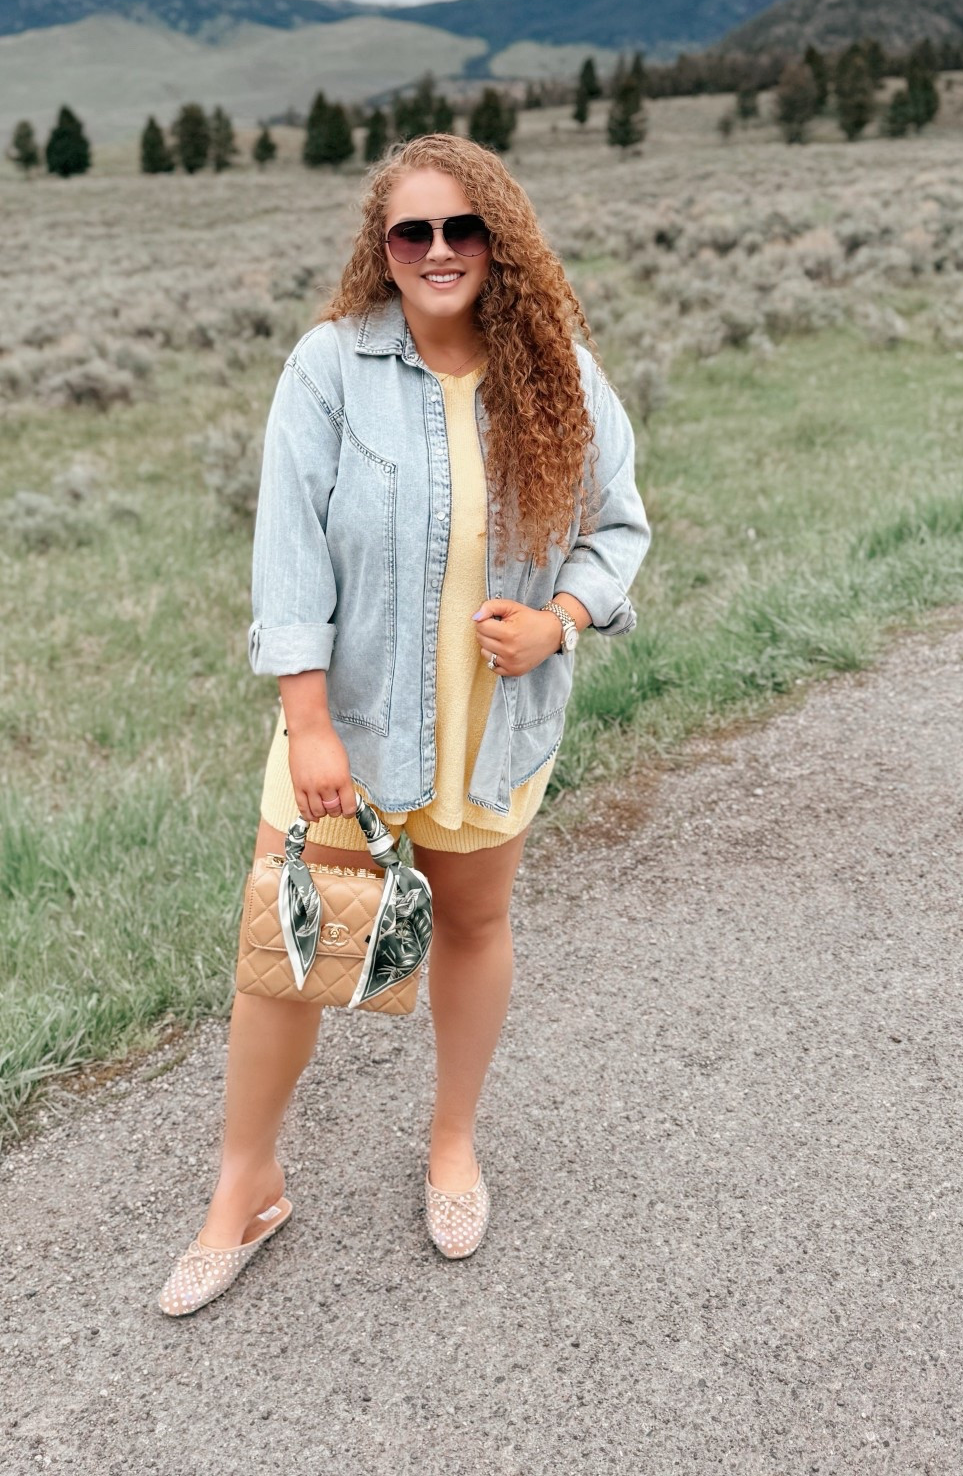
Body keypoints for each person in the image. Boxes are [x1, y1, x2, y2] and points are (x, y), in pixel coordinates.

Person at [160, 130, 651, 1316]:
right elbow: (288, 566)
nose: (439, 250)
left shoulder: (561, 375)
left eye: (462, 228)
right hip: (346, 734)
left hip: (493, 727)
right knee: (285, 956)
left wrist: (562, 618)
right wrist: (308, 725)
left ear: (501, 240)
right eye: (412, 232)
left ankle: (450, 1142)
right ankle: (246, 1185)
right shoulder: (328, 368)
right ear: (382, 249)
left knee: (474, 926)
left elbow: (619, 527)